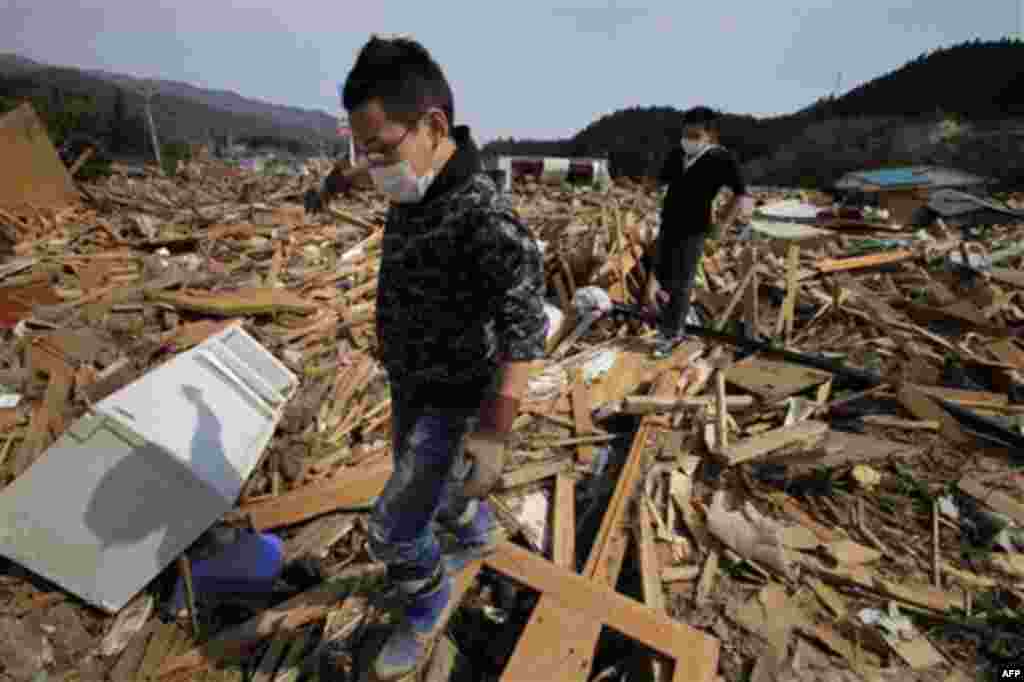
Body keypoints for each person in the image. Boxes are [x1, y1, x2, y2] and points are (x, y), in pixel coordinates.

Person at [327, 36, 548, 680]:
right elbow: (366, 166)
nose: (373, 164)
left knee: (394, 530)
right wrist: (337, 179)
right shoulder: (411, 174)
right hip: (412, 381)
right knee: (439, 492)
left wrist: (497, 430)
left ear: (434, 125)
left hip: (458, 396)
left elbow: (523, 322)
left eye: (380, 148)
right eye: (361, 149)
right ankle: (474, 532)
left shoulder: (485, 217)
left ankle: (425, 606)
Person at [645, 106, 754, 358]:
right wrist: (648, 185)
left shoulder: (720, 158)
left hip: (694, 228)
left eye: (694, 135)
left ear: (710, 135)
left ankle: (673, 333)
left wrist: (723, 224)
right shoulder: (677, 154)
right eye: (685, 134)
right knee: (662, 274)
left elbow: (741, 193)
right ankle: (668, 320)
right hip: (669, 222)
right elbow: (661, 180)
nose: (688, 140)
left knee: (682, 280)